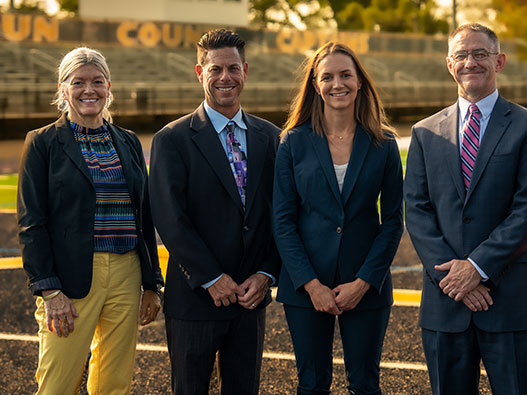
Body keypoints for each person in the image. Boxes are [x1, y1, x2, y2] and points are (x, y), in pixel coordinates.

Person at [404, 23, 527, 394]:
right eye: (462, 55)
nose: (470, 61)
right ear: (449, 65)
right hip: (446, 302)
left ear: (499, 61)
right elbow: (417, 211)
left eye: (480, 54)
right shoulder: (425, 132)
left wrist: (477, 267)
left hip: (510, 300)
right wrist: (454, 280)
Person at [16, 47, 163, 394]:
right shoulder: (42, 143)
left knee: (113, 382)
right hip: (70, 277)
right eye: (78, 82)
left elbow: (144, 215)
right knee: (58, 382)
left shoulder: (126, 141)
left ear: (109, 86)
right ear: (63, 88)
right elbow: (31, 221)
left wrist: (151, 283)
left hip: (127, 274)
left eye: (97, 81)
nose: (89, 90)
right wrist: (50, 290)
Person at [149, 29, 281, 394]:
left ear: (246, 71)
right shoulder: (172, 139)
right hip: (196, 299)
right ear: (199, 72)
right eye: (216, 69)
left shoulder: (271, 137)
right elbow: (169, 218)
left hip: (249, 298)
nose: (226, 78)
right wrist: (210, 277)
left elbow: (281, 214)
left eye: (233, 68)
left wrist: (267, 273)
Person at [273, 42, 403, 395]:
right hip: (305, 286)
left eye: (346, 75)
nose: (337, 84)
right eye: (327, 77)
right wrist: (311, 285)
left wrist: (364, 282)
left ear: (359, 81)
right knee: (312, 384)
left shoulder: (383, 143)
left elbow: (392, 220)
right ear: (316, 85)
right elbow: (282, 221)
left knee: (364, 384)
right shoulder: (293, 142)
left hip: (366, 286)